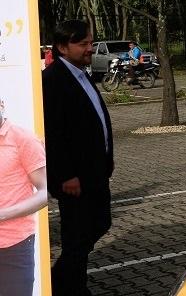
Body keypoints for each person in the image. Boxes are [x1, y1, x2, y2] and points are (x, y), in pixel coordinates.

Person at [43, 19, 114, 296]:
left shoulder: (82, 75)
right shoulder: (53, 81)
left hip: (94, 172)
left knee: (98, 224)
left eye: (90, 42)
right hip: (74, 179)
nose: (90, 49)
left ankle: (65, 282)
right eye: (82, 43)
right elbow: (53, 133)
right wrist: (64, 175)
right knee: (77, 236)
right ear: (62, 47)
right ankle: (65, 285)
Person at [0, 97, 47, 296]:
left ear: (1, 104)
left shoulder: (23, 139)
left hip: (14, 245)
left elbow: (45, 191)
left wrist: (3, 214)